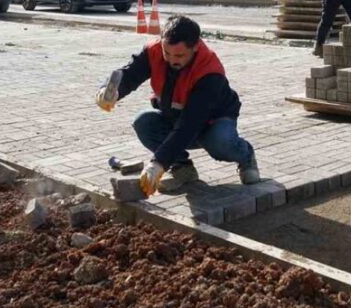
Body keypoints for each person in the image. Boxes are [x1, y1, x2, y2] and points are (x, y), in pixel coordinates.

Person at [96, 15, 260, 196]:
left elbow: (189, 125)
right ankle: (182, 169)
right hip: (175, 115)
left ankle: (246, 156)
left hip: (212, 122)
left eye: (180, 55)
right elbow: (130, 74)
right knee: (144, 122)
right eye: (167, 53)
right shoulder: (155, 51)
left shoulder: (210, 72)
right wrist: (110, 91)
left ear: (196, 46)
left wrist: (158, 163)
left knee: (220, 142)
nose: (172, 60)